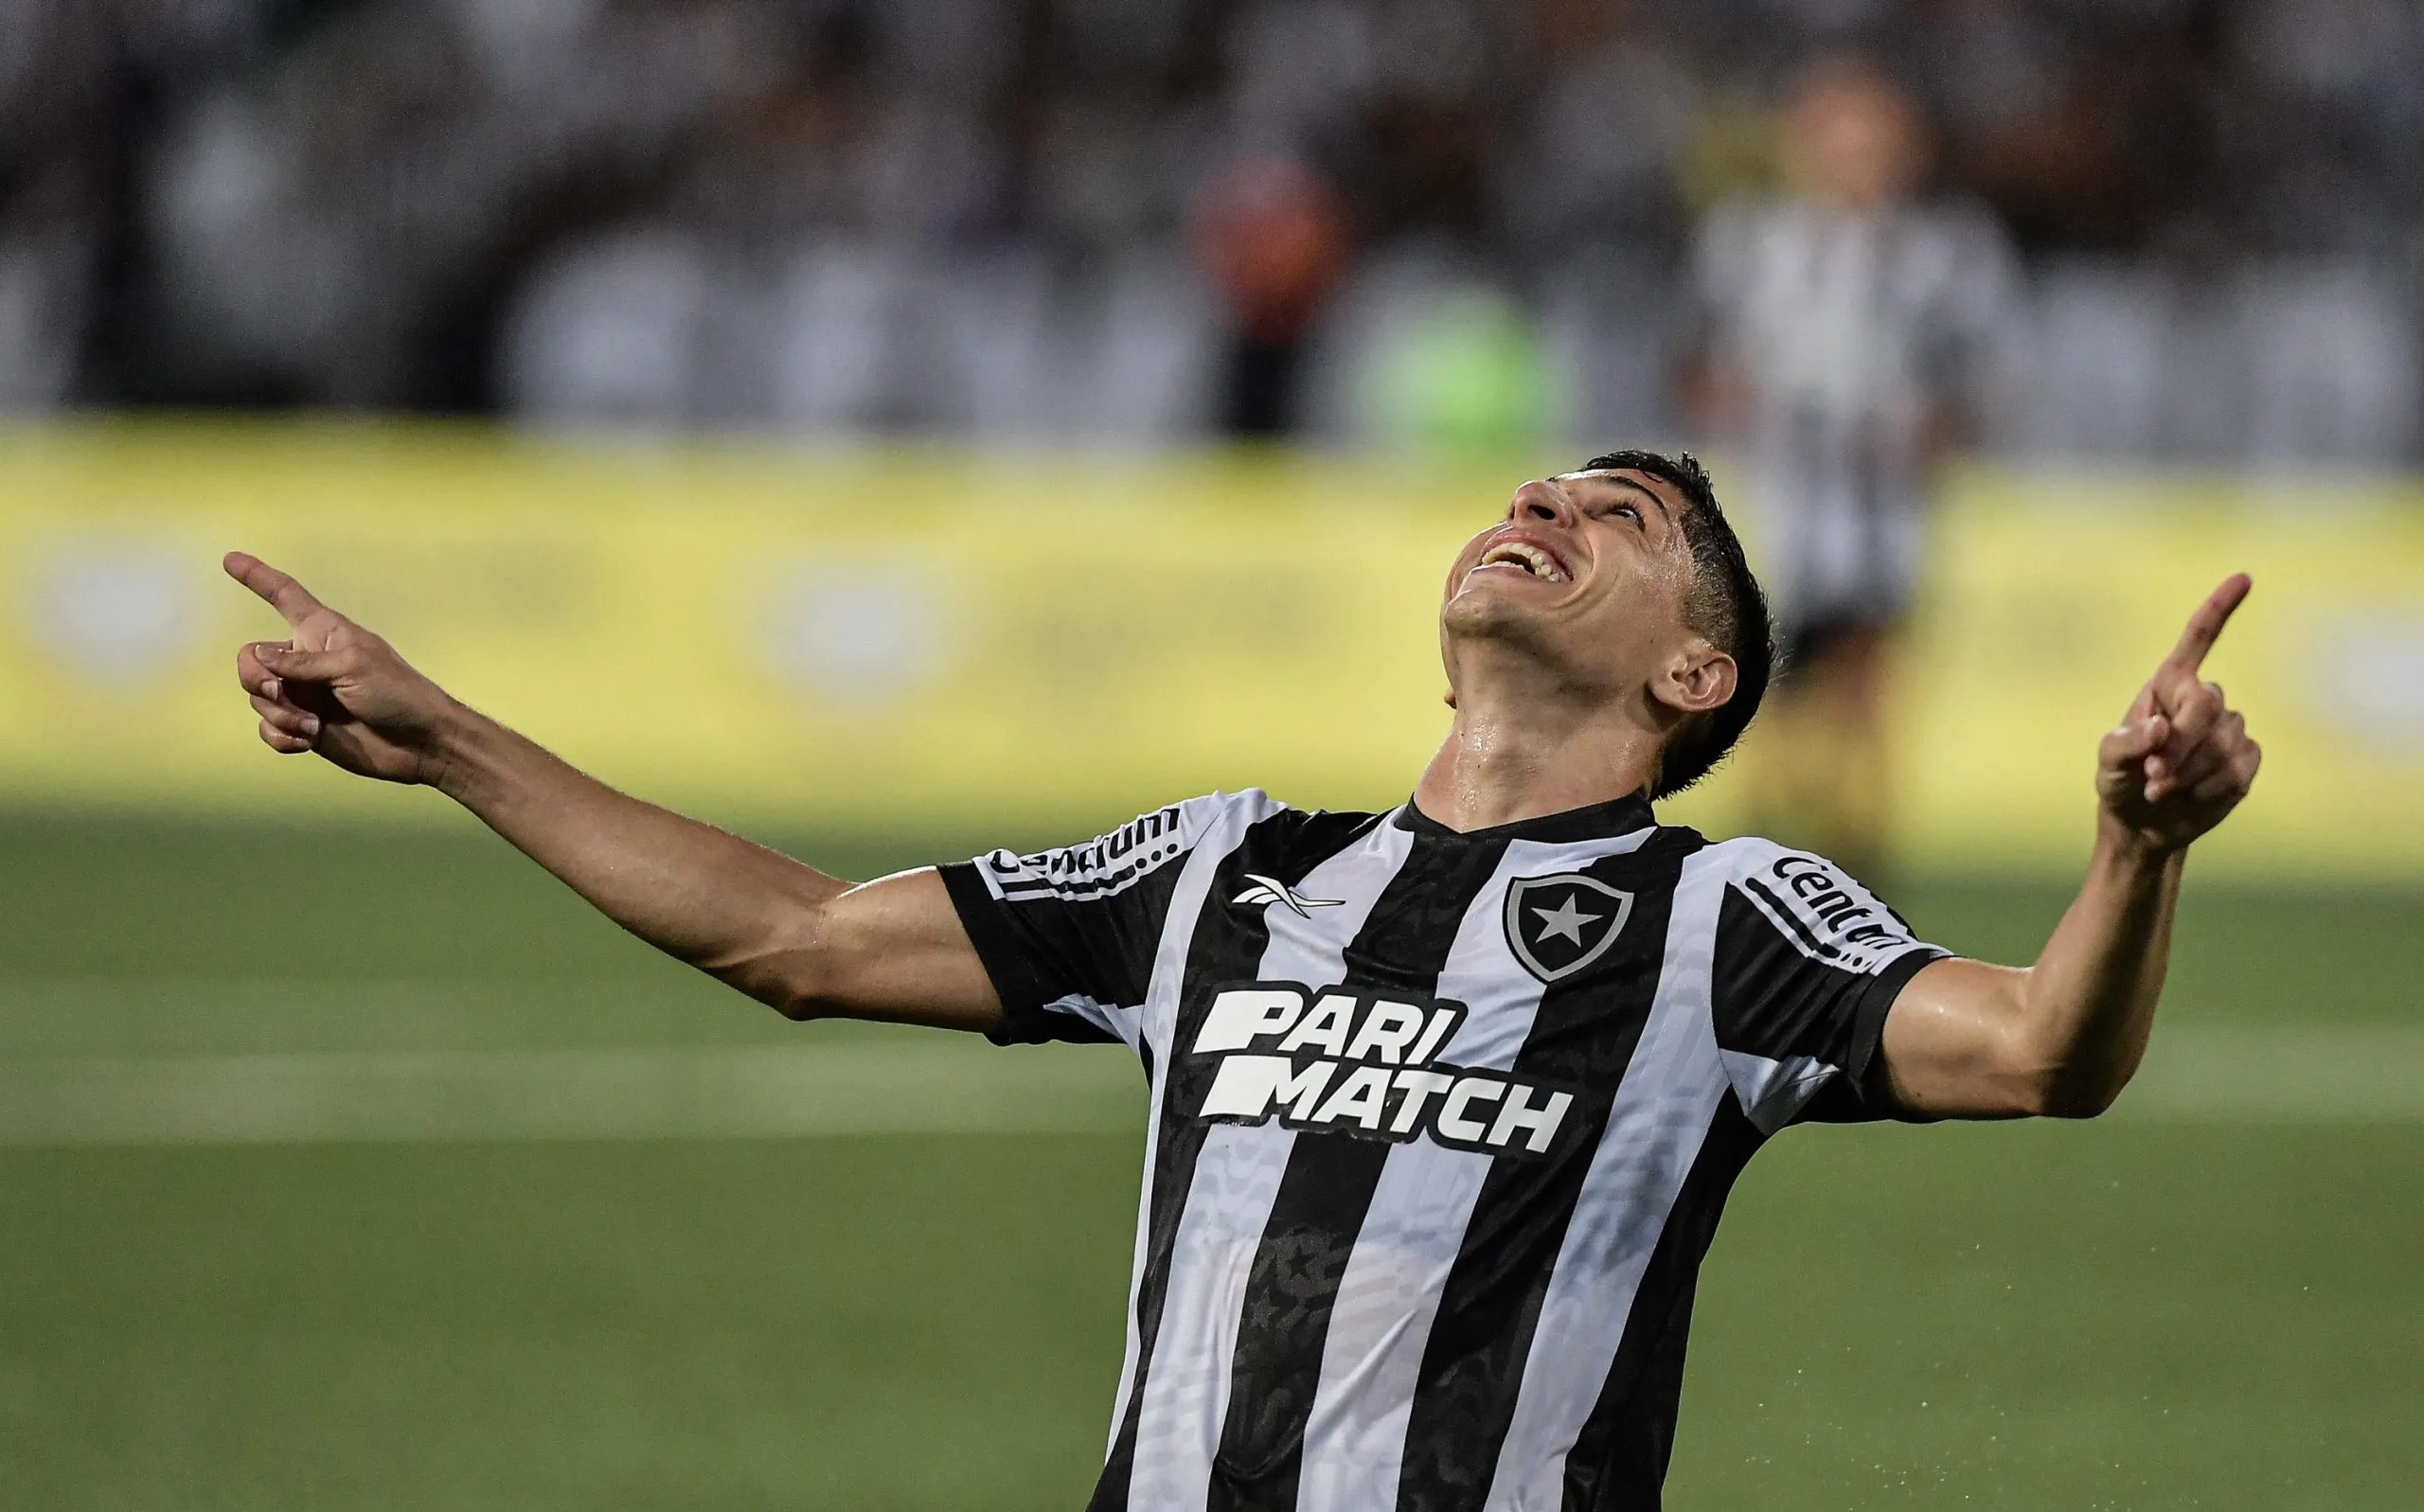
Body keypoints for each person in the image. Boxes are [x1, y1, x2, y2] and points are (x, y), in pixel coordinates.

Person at [224, 449, 2258, 1510]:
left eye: (1613, 517)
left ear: (1690, 677)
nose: (1534, 503)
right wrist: (446, 738)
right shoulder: (1225, 870)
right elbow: (800, 934)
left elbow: (2035, 1051)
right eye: (1526, 491)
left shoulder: (1716, 924)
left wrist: (2132, 848)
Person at [1682, 55, 2018, 881]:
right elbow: (1696, 362)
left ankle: (1857, 850)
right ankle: (1761, 836)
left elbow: (1977, 381)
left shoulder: (1946, 254)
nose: (1853, 157)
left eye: (1873, 139)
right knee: (1760, 670)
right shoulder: (1749, 243)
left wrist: (1928, 435)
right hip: (1776, 503)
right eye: (1836, 136)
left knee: (1868, 674)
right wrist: (1734, 402)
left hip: (1883, 508)